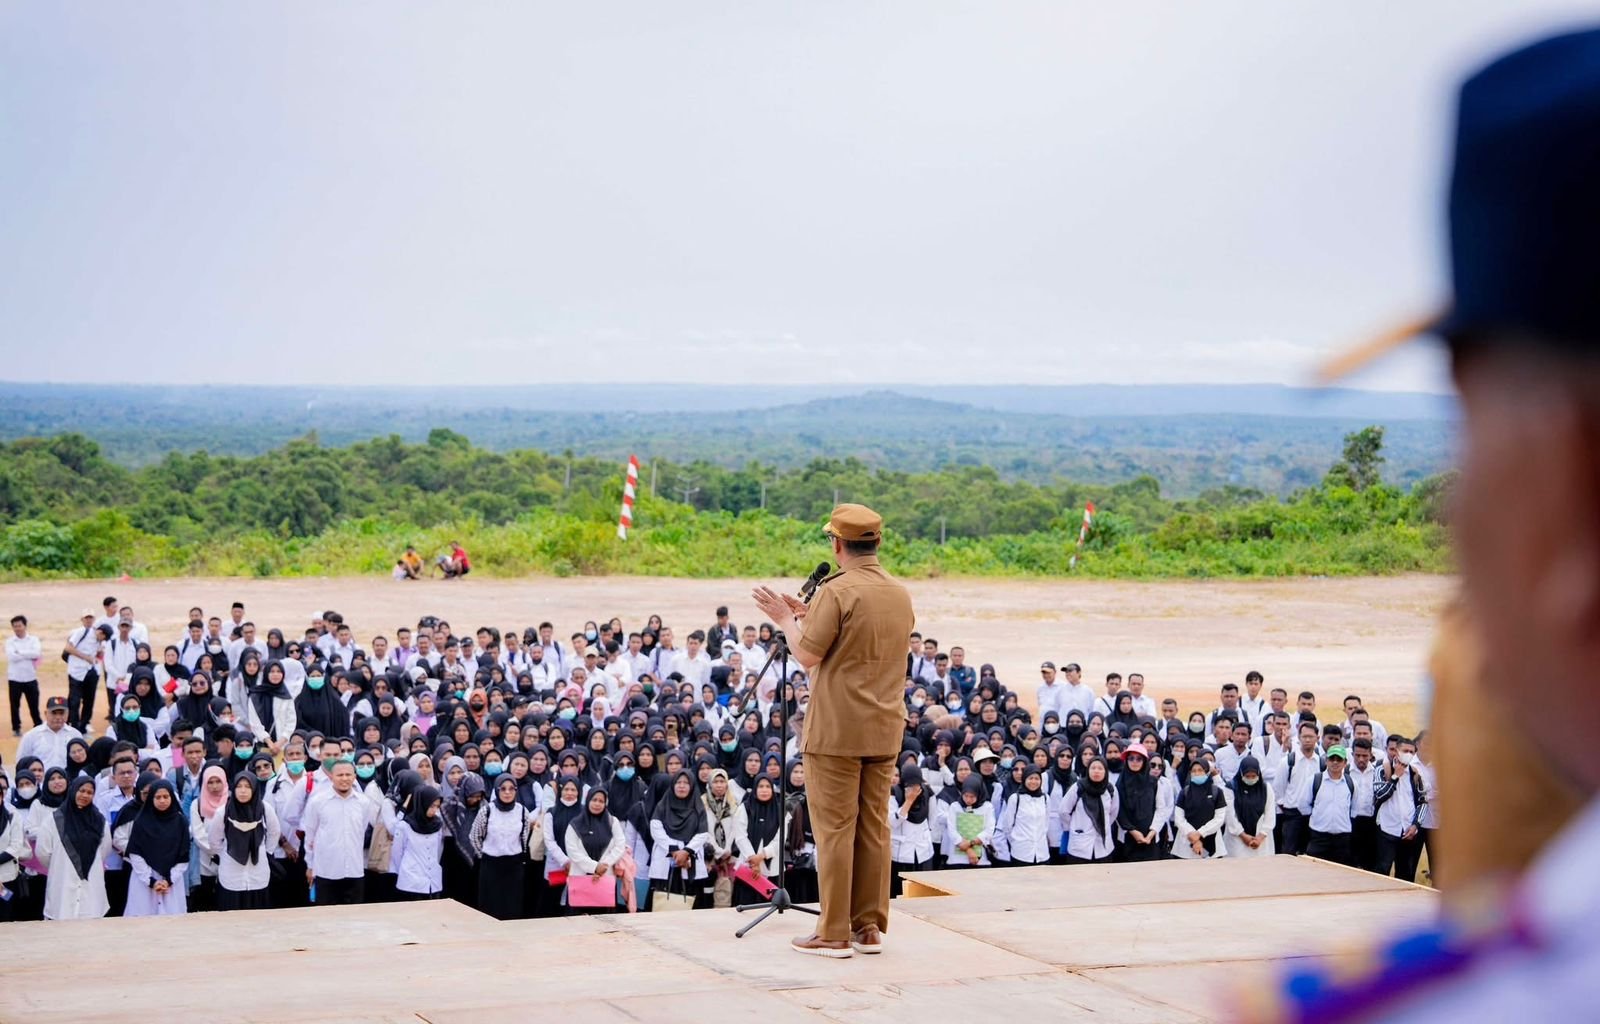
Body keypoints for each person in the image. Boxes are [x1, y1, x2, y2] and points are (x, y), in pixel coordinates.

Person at [752, 503, 915, 959]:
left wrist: (786, 620)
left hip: (837, 730)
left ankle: (833, 931)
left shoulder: (836, 590)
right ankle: (868, 927)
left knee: (835, 830)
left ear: (836, 544)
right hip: (884, 728)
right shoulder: (899, 593)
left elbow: (807, 656)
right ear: (878, 542)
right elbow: (860, 639)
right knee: (874, 828)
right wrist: (810, 612)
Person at [33, 776, 111, 920]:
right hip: (62, 884)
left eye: (89, 792)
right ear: (73, 790)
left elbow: (104, 850)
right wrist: (61, 866)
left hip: (91, 886)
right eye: (81, 791)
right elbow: (43, 852)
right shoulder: (53, 820)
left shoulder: (99, 822)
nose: (85, 795)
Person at [302, 759, 378, 906]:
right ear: (331, 776)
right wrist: (310, 866)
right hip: (326, 871)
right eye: (340, 775)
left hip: (354, 871)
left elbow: (360, 831)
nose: (344, 779)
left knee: (353, 917)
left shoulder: (363, 802)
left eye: (348, 775)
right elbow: (310, 836)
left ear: (354, 776)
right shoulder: (317, 802)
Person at [210, 773, 280, 910]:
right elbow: (214, 840)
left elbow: (274, 832)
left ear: (254, 789)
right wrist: (226, 853)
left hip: (258, 876)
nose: (243, 791)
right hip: (231, 877)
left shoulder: (265, 809)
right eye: (239, 786)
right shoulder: (223, 812)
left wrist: (265, 852)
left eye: (247, 786)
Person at [123, 779, 189, 916]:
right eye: (158, 797)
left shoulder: (180, 821)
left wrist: (169, 880)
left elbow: (183, 856)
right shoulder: (141, 821)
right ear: (151, 798)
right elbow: (135, 854)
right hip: (144, 882)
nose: (162, 801)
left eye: (166, 796)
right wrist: (151, 881)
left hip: (172, 883)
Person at [470, 773, 529, 920]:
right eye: (503, 789)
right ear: (497, 790)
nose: (507, 792)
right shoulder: (487, 811)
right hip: (491, 865)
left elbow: (524, 836)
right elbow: (475, 836)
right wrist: (483, 854)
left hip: (514, 866)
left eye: (511, 789)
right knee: (490, 907)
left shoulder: (522, 811)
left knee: (512, 906)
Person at [562, 788, 627, 915]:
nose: (597, 804)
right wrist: (594, 867)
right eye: (594, 800)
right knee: (578, 921)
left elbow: (620, 845)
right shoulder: (575, 824)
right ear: (587, 800)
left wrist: (604, 864)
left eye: (601, 801)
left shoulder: (612, 822)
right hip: (580, 878)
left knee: (604, 922)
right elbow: (572, 851)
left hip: (604, 878)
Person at [1059, 756, 1118, 864]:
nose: (1096, 771)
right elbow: (1064, 811)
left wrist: (1102, 825)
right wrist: (1073, 827)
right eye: (1093, 768)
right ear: (1088, 770)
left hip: (1103, 847)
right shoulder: (1078, 787)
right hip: (1079, 847)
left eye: (1100, 768)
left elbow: (1113, 812)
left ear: (1105, 771)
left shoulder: (1110, 789)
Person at [390, 784, 445, 900]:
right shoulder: (404, 826)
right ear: (422, 804)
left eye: (437, 806)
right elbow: (397, 854)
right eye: (431, 806)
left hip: (432, 882)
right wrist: (407, 870)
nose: (434, 810)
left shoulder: (437, 825)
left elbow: (438, 850)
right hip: (410, 882)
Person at [1223, 756, 1275, 858]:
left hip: (1261, 841)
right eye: (1247, 776)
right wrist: (1242, 835)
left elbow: (1270, 814)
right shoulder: (1231, 788)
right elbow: (1230, 816)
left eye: (1254, 776)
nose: (1251, 779)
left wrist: (1260, 836)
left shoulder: (1266, 788)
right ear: (1241, 773)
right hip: (1237, 840)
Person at [16, 696, 83, 773]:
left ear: (68, 714)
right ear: (46, 713)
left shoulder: (75, 735)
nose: (58, 717)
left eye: (62, 713)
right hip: (40, 782)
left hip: (68, 781)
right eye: (54, 713)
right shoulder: (31, 736)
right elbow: (21, 763)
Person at [7, 614, 42, 737]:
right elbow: (12, 656)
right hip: (15, 678)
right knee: (14, 705)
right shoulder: (10, 641)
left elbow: (36, 654)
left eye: (19, 625)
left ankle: (38, 725)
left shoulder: (33, 639)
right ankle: (16, 727)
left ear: (25, 626)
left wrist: (20, 653)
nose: (17, 628)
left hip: (30, 677)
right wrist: (28, 654)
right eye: (15, 626)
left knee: (34, 704)